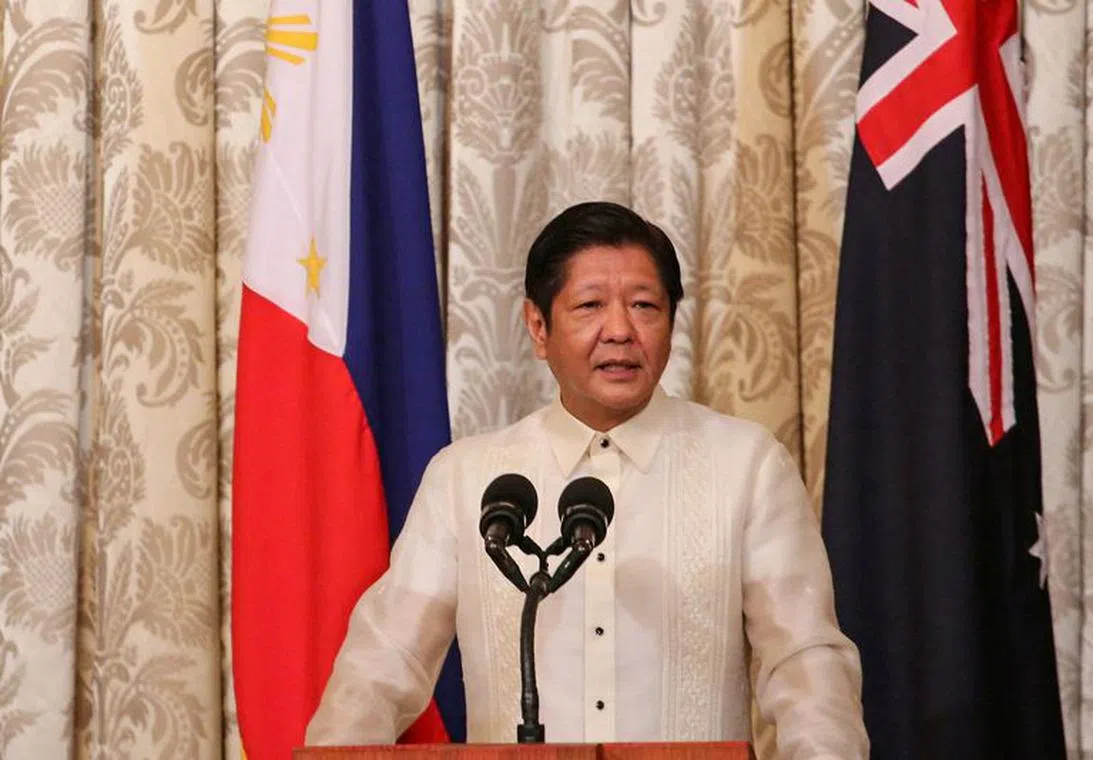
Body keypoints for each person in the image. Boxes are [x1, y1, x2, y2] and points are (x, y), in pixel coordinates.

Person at [306, 202, 869, 757]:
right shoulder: (466, 478)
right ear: (538, 325)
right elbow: (383, 661)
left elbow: (803, 660)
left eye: (645, 305)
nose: (620, 330)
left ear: (673, 320)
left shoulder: (746, 465)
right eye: (590, 305)